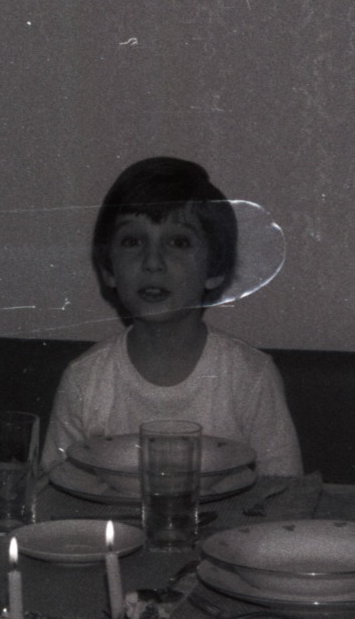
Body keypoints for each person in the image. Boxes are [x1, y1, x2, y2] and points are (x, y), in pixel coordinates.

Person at [41, 156, 303, 476]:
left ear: (215, 269)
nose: (153, 262)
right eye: (132, 241)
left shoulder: (250, 376)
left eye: (178, 242)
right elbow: (54, 492)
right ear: (109, 267)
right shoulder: (85, 380)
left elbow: (284, 494)